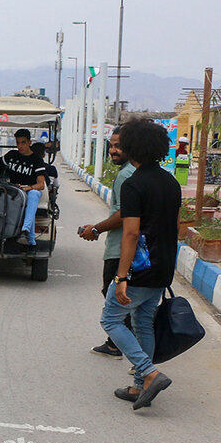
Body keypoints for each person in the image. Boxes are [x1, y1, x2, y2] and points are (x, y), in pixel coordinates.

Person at [99, 120, 181, 410]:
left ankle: (150, 373)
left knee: (110, 319)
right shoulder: (170, 182)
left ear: (133, 146)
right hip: (163, 267)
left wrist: (122, 276)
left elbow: (131, 233)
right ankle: (138, 387)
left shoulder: (134, 184)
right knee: (142, 321)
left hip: (139, 269)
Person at [79, 127, 135, 358]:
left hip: (120, 248)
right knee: (122, 299)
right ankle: (117, 343)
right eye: (111, 145)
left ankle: (124, 347)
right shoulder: (133, 172)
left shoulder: (125, 175)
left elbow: (124, 214)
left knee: (115, 298)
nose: (113, 150)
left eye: (118, 146)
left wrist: (96, 228)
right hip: (126, 247)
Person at [0, 128, 46, 249]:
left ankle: (25, 231)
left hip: (29, 190)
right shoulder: (12, 155)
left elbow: (41, 184)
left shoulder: (37, 159)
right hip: (13, 190)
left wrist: (28, 188)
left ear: (29, 142)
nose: (20, 146)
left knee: (34, 195)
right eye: (18, 142)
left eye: (23, 142)